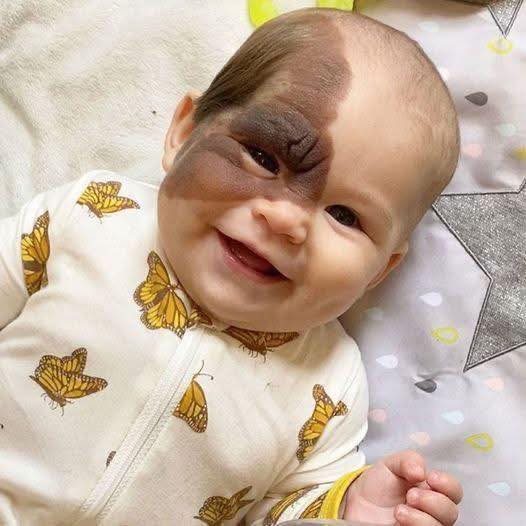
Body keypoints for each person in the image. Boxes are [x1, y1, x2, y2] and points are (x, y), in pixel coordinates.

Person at [0, 7, 463, 526]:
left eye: (344, 216)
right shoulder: (93, 214)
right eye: (265, 159)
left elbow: (284, 512)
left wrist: (347, 510)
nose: (286, 219)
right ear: (184, 132)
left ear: (380, 270)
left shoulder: (330, 383)